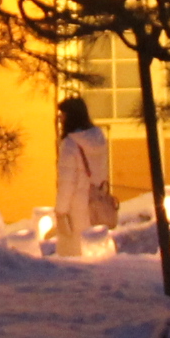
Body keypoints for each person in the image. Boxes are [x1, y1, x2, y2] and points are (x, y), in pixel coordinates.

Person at [54, 94, 115, 258]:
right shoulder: (98, 137)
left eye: (62, 115)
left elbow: (67, 182)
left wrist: (60, 211)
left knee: (76, 256)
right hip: (98, 202)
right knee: (97, 252)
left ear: (70, 117)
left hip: (77, 208)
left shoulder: (70, 144)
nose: (60, 119)